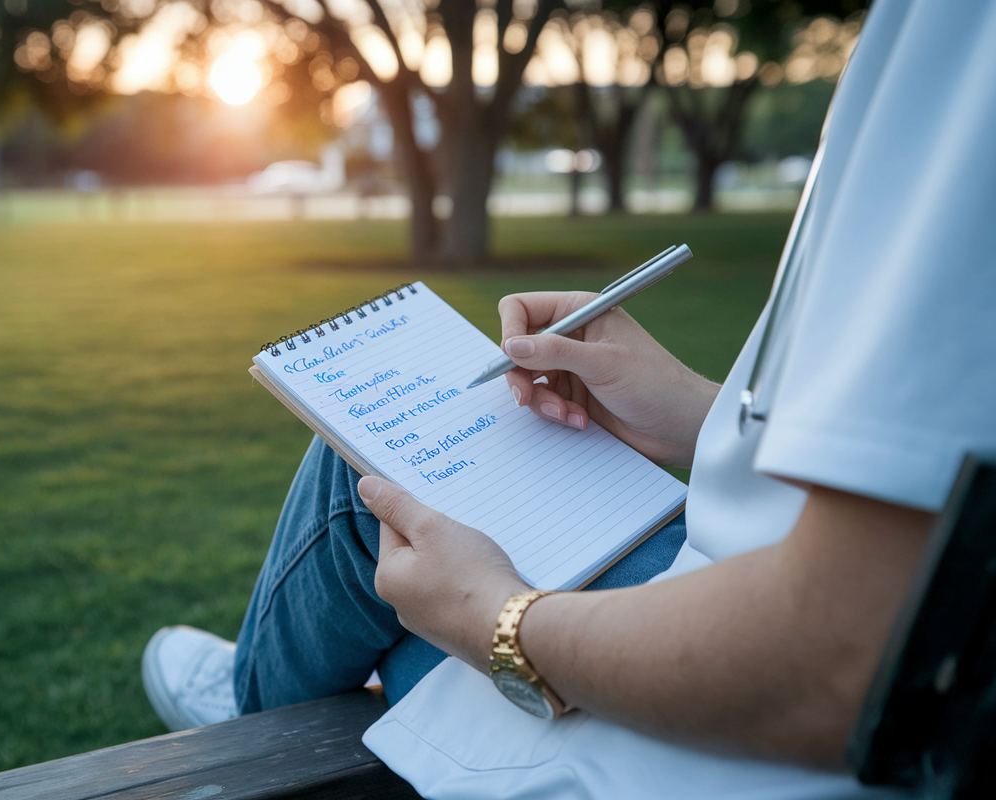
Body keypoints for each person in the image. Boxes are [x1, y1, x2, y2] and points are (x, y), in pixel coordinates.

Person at [143, 0, 996, 795]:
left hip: (768, 744)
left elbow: (846, 657)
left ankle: (252, 710)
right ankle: (273, 680)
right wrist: (703, 413)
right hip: (770, 574)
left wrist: (497, 619)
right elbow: (941, 462)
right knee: (412, 508)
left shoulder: (969, 48)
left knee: (367, 488)